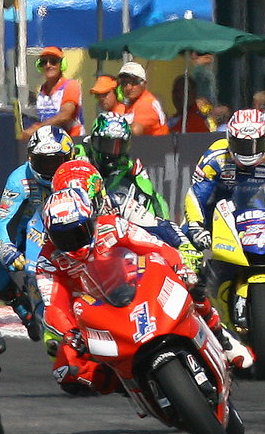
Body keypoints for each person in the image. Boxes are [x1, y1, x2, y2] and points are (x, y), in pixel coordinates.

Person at [36, 160, 253, 397]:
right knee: (69, 372)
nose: (72, 240)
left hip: (138, 276)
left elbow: (158, 232)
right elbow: (53, 304)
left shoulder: (116, 214)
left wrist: (183, 252)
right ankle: (130, 382)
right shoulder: (49, 256)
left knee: (192, 284)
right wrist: (69, 333)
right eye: (63, 236)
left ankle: (221, 336)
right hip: (97, 308)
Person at [0, 125, 76, 336]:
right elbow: (2, 222)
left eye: (55, 161)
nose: (50, 168)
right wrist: (6, 249)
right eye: (44, 161)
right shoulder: (19, 178)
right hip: (29, 238)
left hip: (72, 235)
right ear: (31, 159)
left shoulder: (78, 173)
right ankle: (18, 301)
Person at [182, 109, 265, 256]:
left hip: (256, 220)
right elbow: (196, 195)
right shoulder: (215, 158)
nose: (248, 152)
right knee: (187, 250)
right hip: (212, 218)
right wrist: (196, 227)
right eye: (241, 145)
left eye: (255, 145)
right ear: (229, 139)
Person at [85, 111, 189, 253]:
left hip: (115, 219)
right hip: (83, 218)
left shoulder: (130, 165)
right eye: (107, 145)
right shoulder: (79, 155)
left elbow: (151, 197)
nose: (112, 153)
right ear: (94, 140)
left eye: (118, 146)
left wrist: (160, 225)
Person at [23, 46, 83, 138]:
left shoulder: (70, 86)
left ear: (62, 65)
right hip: (50, 143)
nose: (48, 65)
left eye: (53, 61)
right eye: (44, 62)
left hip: (72, 142)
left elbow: (65, 115)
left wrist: (38, 127)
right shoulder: (43, 89)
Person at [110, 60, 168, 136]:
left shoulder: (146, 102)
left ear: (144, 83)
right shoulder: (129, 104)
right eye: (124, 83)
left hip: (157, 146)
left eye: (134, 82)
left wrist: (111, 127)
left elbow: (135, 131)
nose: (129, 87)